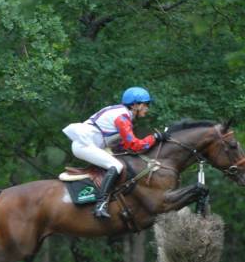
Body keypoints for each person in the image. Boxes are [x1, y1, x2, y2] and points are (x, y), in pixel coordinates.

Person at [63, 86, 167, 219]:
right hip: (84, 145)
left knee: (119, 162)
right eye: (146, 104)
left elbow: (122, 145)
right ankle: (101, 205)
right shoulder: (122, 117)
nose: (148, 108)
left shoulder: (123, 115)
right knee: (117, 166)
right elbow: (134, 145)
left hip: (90, 144)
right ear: (135, 105)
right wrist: (155, 138)